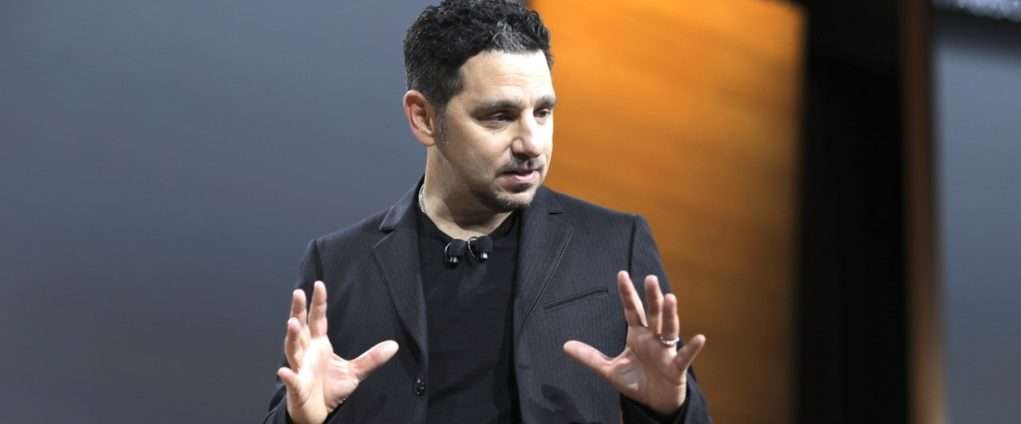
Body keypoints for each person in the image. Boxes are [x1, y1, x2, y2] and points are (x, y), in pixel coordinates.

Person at [262, 1, 710, 422]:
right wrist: (300, 419)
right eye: (499, 116)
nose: (531, 143)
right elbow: (296, 403)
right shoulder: (338, 265)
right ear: (424, 118)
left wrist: (670, 411)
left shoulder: (615, 245)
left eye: (543, 112)